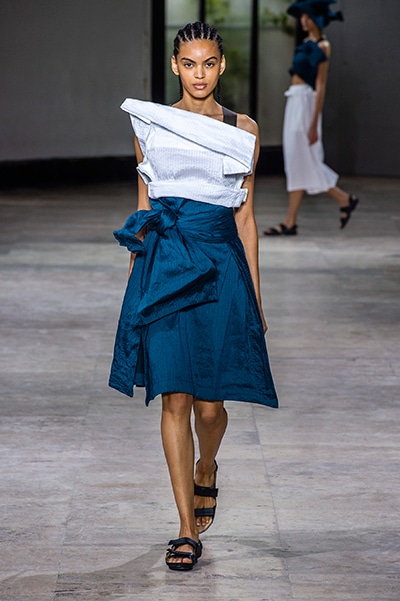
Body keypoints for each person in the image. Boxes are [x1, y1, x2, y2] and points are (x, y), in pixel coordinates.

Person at [108, 22, 278, 571]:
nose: (198, 74)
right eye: (189, 63)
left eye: (208, 63)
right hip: (165, 265)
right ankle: (185, 528)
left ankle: (208, 466)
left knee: (211, 405)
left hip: (222, 265)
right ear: (175, 66)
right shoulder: (151, 124)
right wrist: (135, 287)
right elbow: (145, 204)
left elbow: (246, 218)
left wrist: (256, 297)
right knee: (174, 398)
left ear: (221, 66)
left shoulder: (243, 128)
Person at [264, 0, 359, 236]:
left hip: (306, 102)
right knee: (296, 160)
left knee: (304, 159)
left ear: (316, 19)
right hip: (294, 99)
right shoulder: (306, 43)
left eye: (307, 17)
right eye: (302, 17)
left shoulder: (323, 46)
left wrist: (314, 122)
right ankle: (292, 221)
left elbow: (321, 85)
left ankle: (341, 199)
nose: (303, 21)